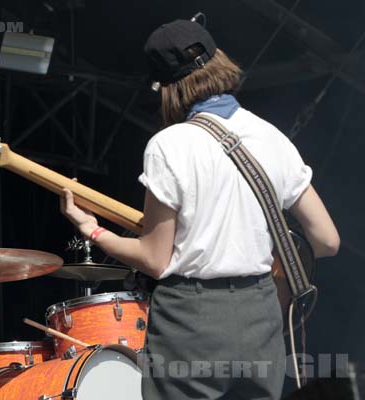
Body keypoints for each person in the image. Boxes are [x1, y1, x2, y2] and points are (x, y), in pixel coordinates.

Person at [60, 19, 340, 400]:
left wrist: (93, 230)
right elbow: (327, 240)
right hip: (260, 315)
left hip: (192, 321)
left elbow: (154, 259)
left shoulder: (169, 145)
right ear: (219, 61)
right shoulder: (272, 136)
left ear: (166, 87)